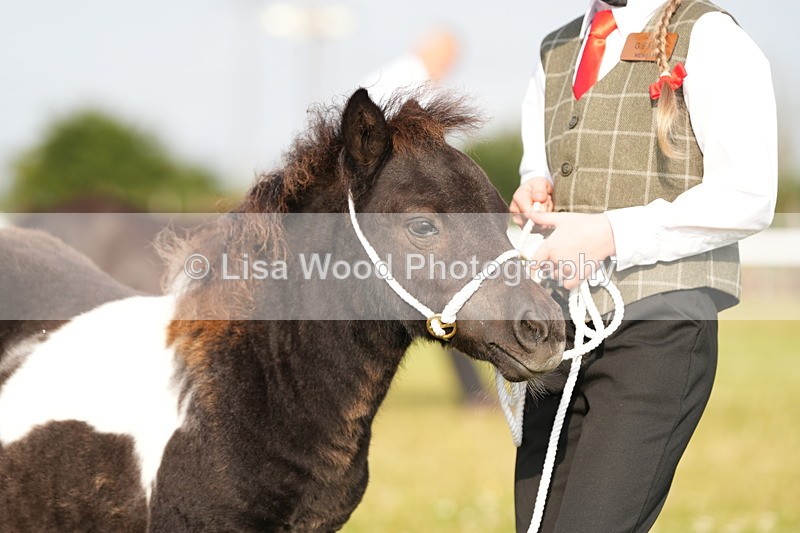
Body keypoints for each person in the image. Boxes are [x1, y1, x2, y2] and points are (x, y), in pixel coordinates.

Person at [509, 0, 777, 531]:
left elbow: (749, 195)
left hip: (660, 329)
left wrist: (611, 231)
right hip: (559, 336)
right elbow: (545, 163)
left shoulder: (711, 36)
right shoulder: (555, 47)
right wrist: (534, 190)